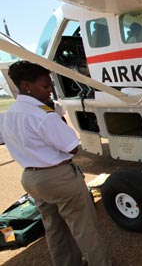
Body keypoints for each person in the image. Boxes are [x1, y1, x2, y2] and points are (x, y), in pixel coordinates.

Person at [0, 61, 111, 266]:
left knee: (54, 228)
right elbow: (72, 147)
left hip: (31, 178)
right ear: (26, 86)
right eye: (45, 86)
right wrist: (57, 118)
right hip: (58, 177)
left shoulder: (8, 115)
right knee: (84, 227)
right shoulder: (43, 114)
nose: (50, 90)